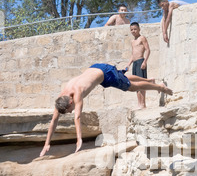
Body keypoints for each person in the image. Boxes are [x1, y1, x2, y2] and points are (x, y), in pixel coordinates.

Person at [39, 64, 173, 157]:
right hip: (96, 68)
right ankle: (149, 80)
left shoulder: (77, 93)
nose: (70, 112)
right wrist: (47, 143)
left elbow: (77, 117)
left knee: (130, 87)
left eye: (69, 110)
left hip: (106, 74)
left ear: (70, 101)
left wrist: (79, 139)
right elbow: (53, 121)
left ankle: (159, 87)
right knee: (122, 78)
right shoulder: (61, 99)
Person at [125, 22, 151, 109]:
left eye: (135, 29)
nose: (133, 31)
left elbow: (148, 50)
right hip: (135, 63)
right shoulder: (132, 41)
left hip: (140, 61)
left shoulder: (142, 38)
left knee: (142, 83)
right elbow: (133, 54)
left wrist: (145, 61)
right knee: (135, 84)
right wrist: (128, 64)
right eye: (131, 30)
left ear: (139, 29)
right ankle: (139, 104)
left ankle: (143, 104)